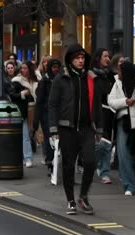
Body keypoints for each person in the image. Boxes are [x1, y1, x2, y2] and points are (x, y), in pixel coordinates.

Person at [48, 43, 103, 215]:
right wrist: (53, 129)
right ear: (70, 60)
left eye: (82, 58)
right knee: (69, 166)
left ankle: (83, 196)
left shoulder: (91, 78)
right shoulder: (61, 79)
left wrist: (99, 128)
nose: (80, 61)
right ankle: (70, 200)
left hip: (86, 128)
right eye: (77, 58)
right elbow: (53, 105)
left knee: (90, 162)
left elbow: (97, 105)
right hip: (67, 128)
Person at [108, 62, 135, 195]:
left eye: (120, 72)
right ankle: (129, 185)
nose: (118, 74)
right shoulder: (117, 84)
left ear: (126, 73)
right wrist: (124, 102)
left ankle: (134, 178)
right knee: (123, 155)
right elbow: (110, 101)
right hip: (123, 123)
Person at [33, 58, 61, 176]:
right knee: (50, 139)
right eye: (54, 67)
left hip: (60, 114)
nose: (56, 69)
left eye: (57, 67)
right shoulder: (44, 82)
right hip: (46, 115)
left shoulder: (62, 80)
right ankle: (50, 164)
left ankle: (56, 163)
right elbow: (39, 102)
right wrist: (36, 119)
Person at [91, 48, 114, 184]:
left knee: (107, 144)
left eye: (108, 56)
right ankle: (96, 164)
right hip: (94, 112)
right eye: (105, 56)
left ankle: (104, 172)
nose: (107, 58)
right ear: (98, 58)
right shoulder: (92, 75)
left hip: (109, 112)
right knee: (98, 144)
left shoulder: (110, 75)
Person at [9, 61, 38, 167]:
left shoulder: (35, 80)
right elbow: (12, 95)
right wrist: (22, 94)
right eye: (22, 68)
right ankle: (27, 157)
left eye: (25, 68)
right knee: (25, 136)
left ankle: (26, 157)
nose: (23, 70)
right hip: (23, 111)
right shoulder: (17, 81)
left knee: (32, 134)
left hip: (35, 110)